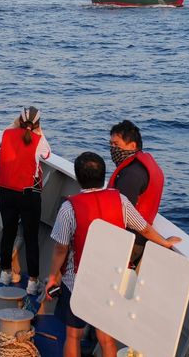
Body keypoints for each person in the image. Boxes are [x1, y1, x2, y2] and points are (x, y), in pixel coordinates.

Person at [45, 152, 181, 357]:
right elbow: (143, 229)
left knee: (73, 335)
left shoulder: (69, 208)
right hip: (112, 280)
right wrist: (165, 242)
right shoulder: (121, 200)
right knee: (106, 338)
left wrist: (53, 277)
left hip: (77, 281)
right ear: (104, 175)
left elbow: (61, 249)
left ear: (78, 177)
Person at [0, 106, 52, 294]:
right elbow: (47, 155)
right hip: (28, 195)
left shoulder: (6, 134)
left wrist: (13, 125)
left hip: (6, 192)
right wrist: (38, 132)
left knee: (8, 232)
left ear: (18, 119)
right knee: (31, 237)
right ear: (37, 124)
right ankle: (32, 282)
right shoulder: (39, 140)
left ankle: (5, 273)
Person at [106, 120, 164, 265]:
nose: (113, 149)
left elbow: (123, 214)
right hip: (138, 238)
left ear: (132, 146)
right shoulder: (143, 166)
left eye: (116, 145)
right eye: (111, 144)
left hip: (129, 241)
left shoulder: (131, 174)